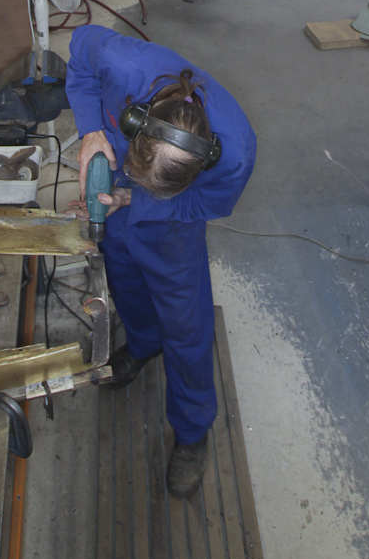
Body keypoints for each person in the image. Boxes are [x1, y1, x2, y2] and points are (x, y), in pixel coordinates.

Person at [65, 25, 257, 498]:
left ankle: (192, 431)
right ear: (138, 123)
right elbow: (78, 53)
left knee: (186, 325)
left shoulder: (234, 155)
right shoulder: (123, 61)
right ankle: (144, 343)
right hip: (116, 172)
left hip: (171, 218)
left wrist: (138, 199)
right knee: (124, 274)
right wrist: (92, 132)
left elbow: (200, 206)